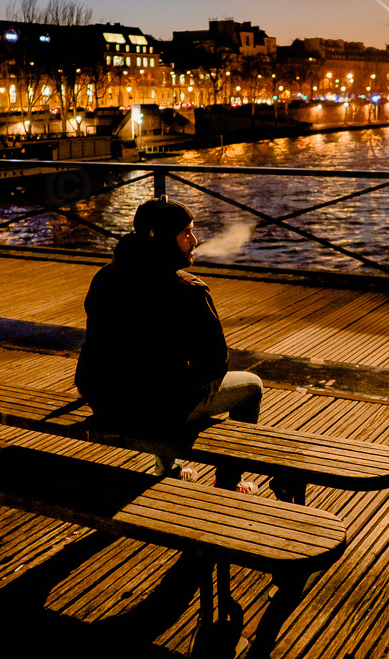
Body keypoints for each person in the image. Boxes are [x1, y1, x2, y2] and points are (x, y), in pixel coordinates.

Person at [75, 196, 263, 490]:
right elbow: (215, 364)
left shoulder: (105, 278)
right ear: (163, 238)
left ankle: (169, 469)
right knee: (252, 387)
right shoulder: (188, 290)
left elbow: (97, 344)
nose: (195, 241)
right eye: (186, 233)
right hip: (154, 413)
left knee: (158, 380)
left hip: (107, 403)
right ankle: (228, 483)